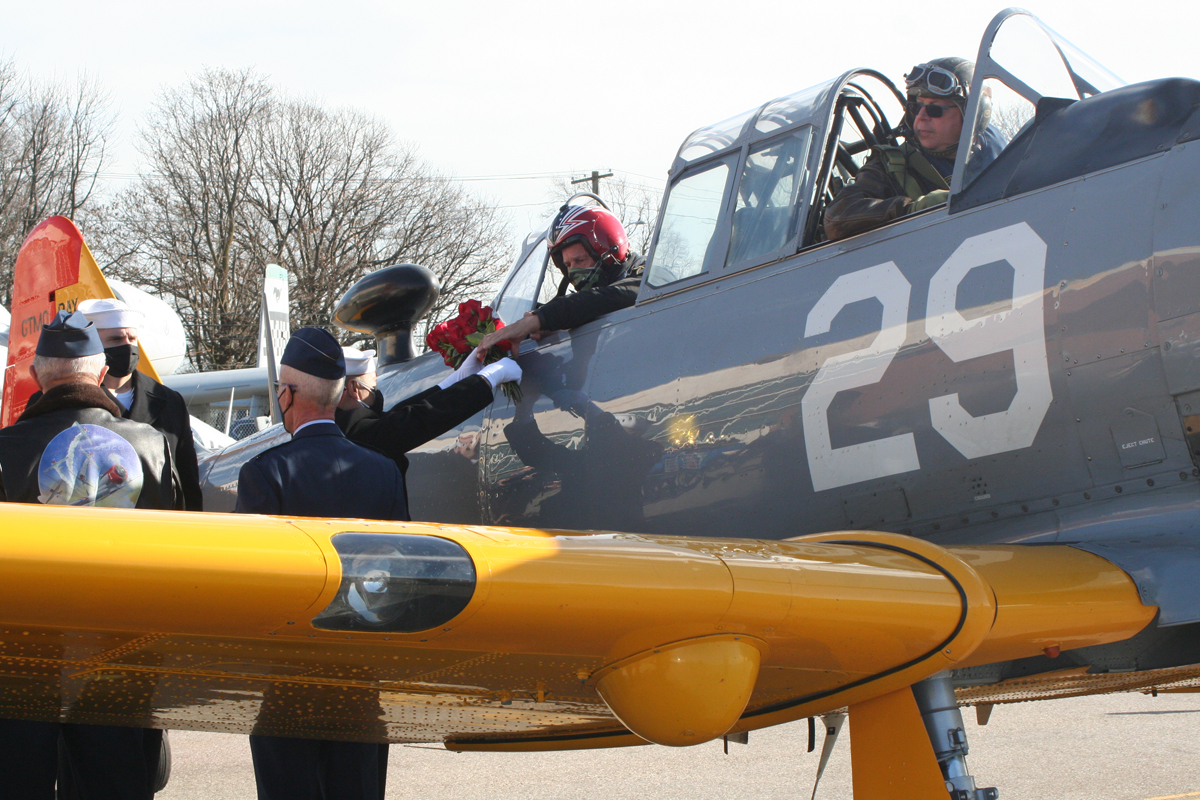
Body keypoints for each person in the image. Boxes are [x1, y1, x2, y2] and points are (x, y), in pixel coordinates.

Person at [0, 310, 180, 800]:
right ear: (102, 373)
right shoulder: (154, 445)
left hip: (22, 656)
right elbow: (174, 556)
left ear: (37, 375)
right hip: (119, 653)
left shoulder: (5, 449)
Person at [235, 327, 407, 800]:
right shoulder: (383, 471)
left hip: (287, 676)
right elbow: (401, 576)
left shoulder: (264, 473)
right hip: (360, 673)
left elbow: (251, 584)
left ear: (288, 395)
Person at [823, 57, 1005, 242]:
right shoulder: (891, 168)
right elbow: (836, 218)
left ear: (974, 113)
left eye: (935, 110)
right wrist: (912, 209)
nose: (921, 117)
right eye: (916, 107)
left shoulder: (999, 151)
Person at [335, 346, 521, 496]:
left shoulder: (342, 425)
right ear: (355, 389)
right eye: (373, 387)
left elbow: (399, 415)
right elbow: (416, 420)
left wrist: (456, 380)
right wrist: (486, 381)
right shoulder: (354, 433)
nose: (376, 393)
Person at [76, 297, 204, 511]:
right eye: (116, 339)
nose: (127, 346)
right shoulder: (75, 401)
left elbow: (187, 477)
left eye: (132, 338)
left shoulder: (169, 402)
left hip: (156, 525)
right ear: (93, 344)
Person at [475, 204, 643, 354]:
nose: (573, 270)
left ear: (609, 252)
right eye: (568, 265)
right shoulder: (592, 305)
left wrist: (540, 318)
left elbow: (607, 298)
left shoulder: (650, 276)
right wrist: (555, 327)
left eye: (580, 260)